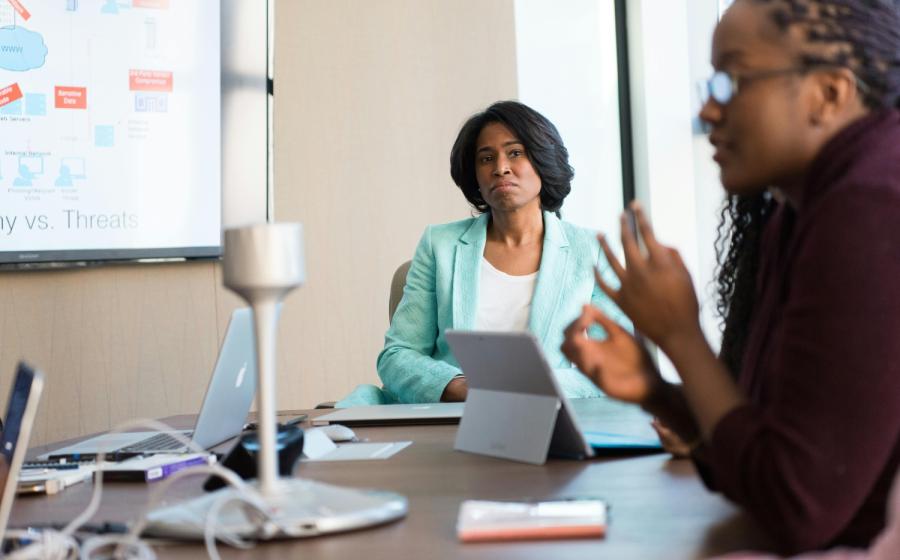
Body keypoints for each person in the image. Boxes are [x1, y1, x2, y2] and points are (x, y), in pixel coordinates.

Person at [562, 0, 900, 553]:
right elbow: (763, 463)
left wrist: (680, 336)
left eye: (733, 82)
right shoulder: (797, 212)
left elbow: (795, 509)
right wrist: (658, 393)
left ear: (830, 93)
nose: (709, 111)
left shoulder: (870, 207)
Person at [338, 100, 628, 406]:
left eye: (515, 153)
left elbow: (614, 366)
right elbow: (397, 356)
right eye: (486, 158)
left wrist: (526, 387)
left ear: (543, 160)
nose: (500, 168)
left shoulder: (592, 251)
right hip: (452, 417)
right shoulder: (440, 244)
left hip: (547, 415)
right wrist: (457, 387)